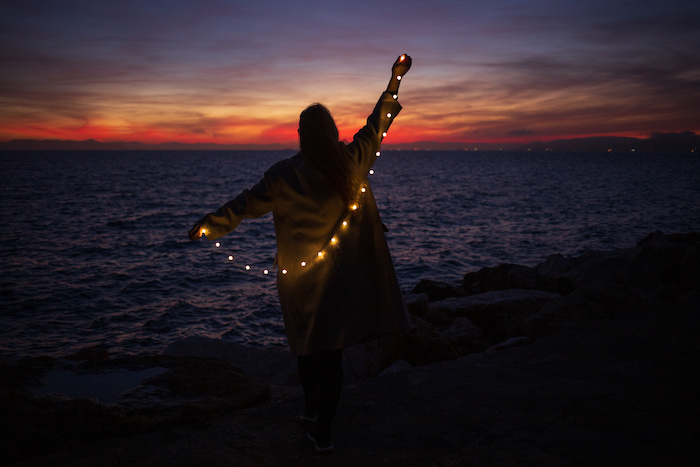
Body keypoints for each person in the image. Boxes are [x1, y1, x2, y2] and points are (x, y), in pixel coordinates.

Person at [188, 54, 412, 453]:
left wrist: (208, 225)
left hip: (298, 280)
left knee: (307, 349)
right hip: (337, 280)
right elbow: (377, 125)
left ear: (302, 135)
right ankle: (320, 425)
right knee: (331, 355)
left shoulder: (283, 174)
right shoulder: (350, 164)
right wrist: (394, 80)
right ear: (330, 132)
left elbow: (244, 205)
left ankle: (315, 418)